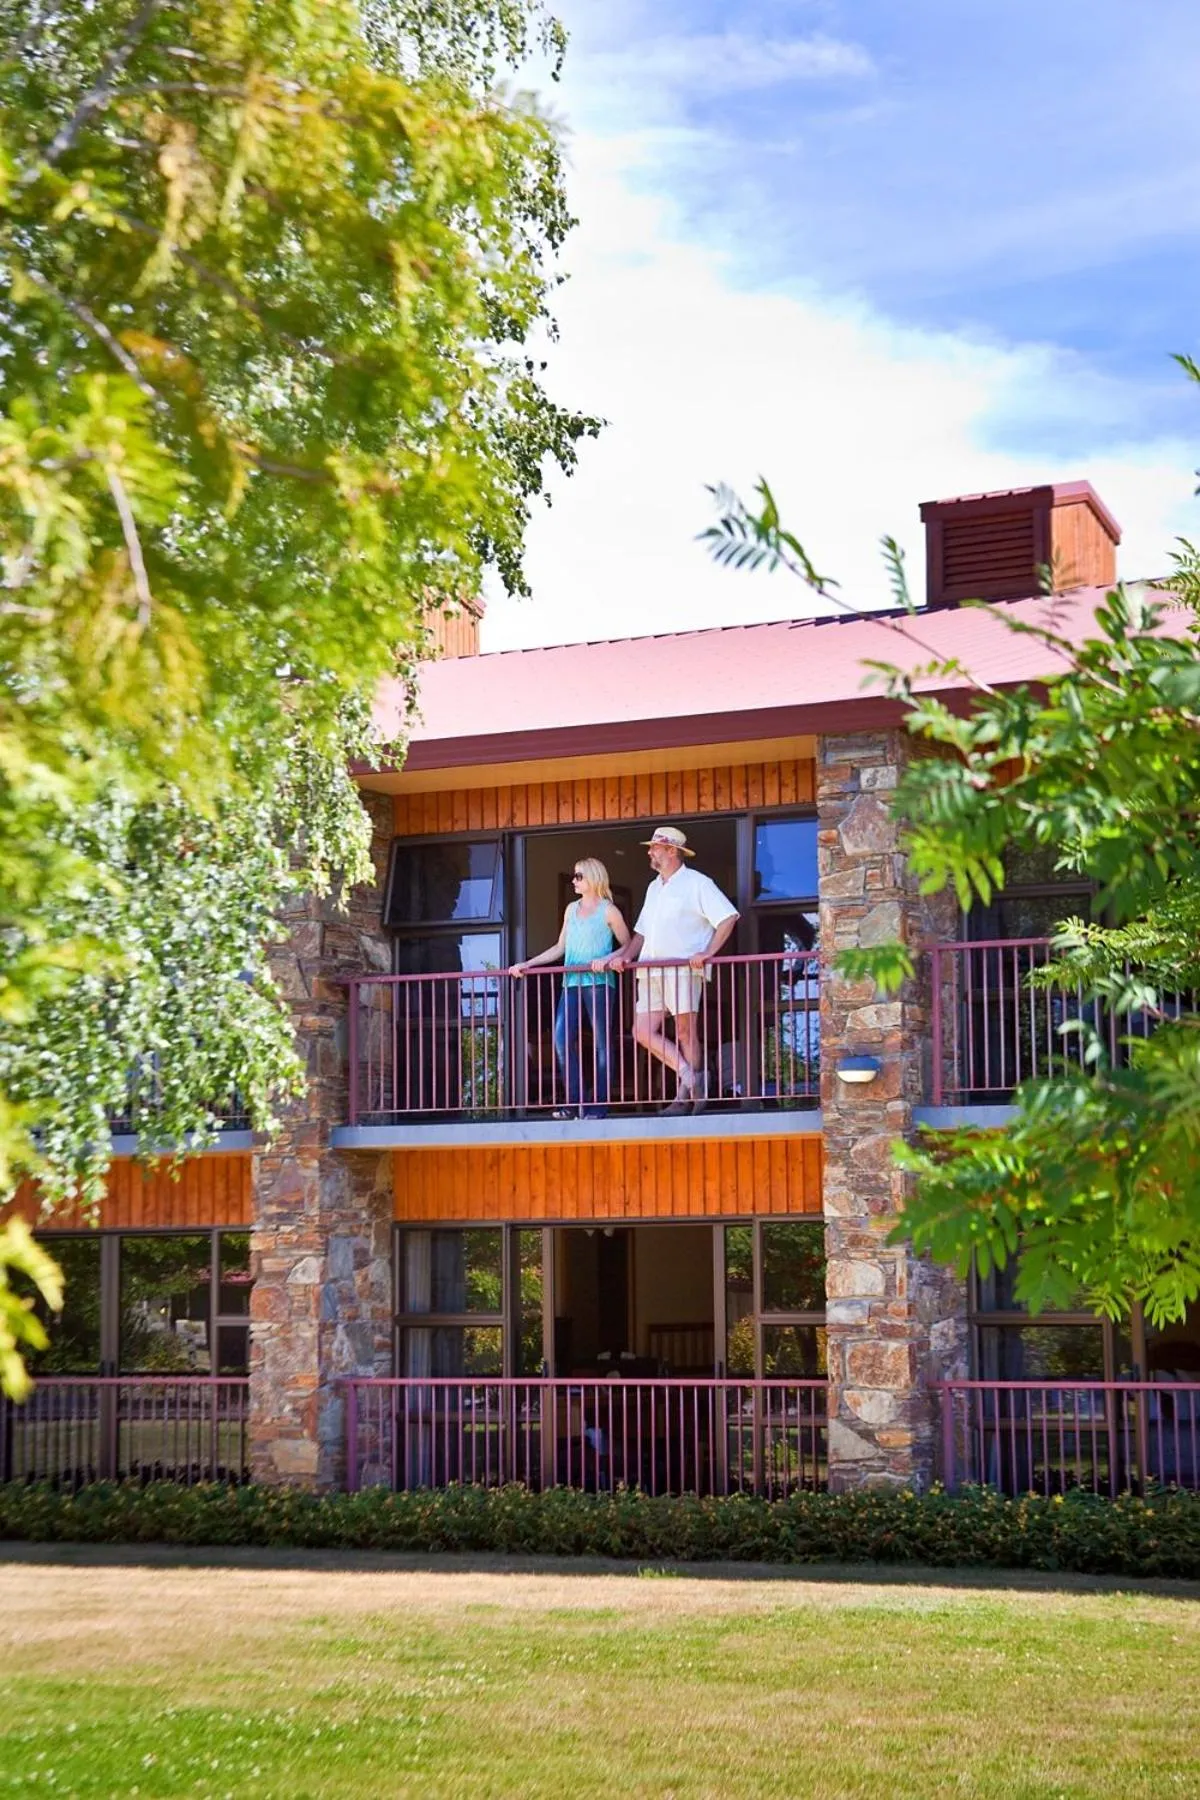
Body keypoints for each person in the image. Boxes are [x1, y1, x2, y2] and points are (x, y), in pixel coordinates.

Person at [605, 825, 739, 1114]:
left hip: (682, 970)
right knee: (641, 1031)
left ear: (672, 851)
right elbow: (641, 933)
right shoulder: (654, 887)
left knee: (685, 1032)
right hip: (649, 970)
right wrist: (625, 957)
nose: (650, 853)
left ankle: (686, 1097)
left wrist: (707, 952)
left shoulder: (698, 883)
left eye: (655, 848)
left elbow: (728, 917)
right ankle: (690, 1076)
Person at [510, 857, 630, 1119]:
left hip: (599, 983)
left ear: (593, 878)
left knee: (602, 1044)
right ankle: (575, 1102)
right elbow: (560, 947)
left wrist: (607, 959)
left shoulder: (609, 910)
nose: (574, 880)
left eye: (579, 876)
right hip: (571, 983)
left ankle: (599, 1106)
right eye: (574, 876)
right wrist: (528, 963)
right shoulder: (570, 909)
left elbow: (628, 945)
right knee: (561, 1039)